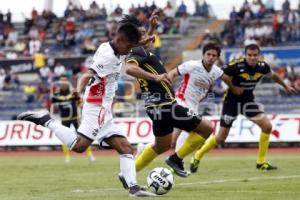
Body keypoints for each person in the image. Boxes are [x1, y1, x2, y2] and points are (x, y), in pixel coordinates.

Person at [17, 18, 155, 197]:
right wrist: (78, 89)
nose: (130, 51)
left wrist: (149, 30)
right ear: (121, 41)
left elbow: (137, 43)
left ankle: (134, 188)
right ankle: (45, 120)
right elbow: (86, 75)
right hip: (96, 106)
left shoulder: (114, 46)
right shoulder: (107, 56)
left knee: (126, 148)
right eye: (129, 47)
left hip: (103, 108)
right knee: (79, 146)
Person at [124, 24, 214, 179]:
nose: (148, 36)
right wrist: (155, 77)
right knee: (206, 128)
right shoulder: (136, 51)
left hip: (155, 107)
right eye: (143, 34)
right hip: (165, 106)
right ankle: (176, 159)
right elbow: (129, 69)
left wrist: (151, 29)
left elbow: (142, 43)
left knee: (162, 146)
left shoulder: (142, 51)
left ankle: (128, 174)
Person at [189, 44, 297, 173]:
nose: (252, 58)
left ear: (259, 56)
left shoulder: (263, 67)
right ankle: (197, 156)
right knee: (220, 138)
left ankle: (261, 162)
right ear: (245, 55)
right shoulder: (236, 65)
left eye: (255, 55)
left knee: (267, 126)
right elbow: (220, 74)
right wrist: (229, 88)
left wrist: (285, 86)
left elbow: (273, 75)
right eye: (249, 55)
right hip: (231, 103)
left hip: (248, 103)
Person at [168, 43, 241, 152]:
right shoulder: (192, 65)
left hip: (194, 104)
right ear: (203, 55)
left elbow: (225, 78)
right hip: (182, 101)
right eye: (208, 54)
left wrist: (233, 88)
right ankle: (177, 160)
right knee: (186, 132)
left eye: (214, 55)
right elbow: (172, 73)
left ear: (217, 57)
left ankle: (148, 149)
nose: (211, 57)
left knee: (175, 139)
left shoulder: (216, 71)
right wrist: (168, 91)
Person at [51, 76, 95, 163]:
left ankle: (90, 155)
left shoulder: (73, 92)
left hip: (75, 118)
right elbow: (53, 101)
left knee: (83, 136)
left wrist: (76, 97)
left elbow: (79, 100)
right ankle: (67, 157)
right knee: (64, 137)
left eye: (65, 80)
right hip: (64, 119)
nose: (63, 82)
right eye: (62, 81)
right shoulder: (56, 93)